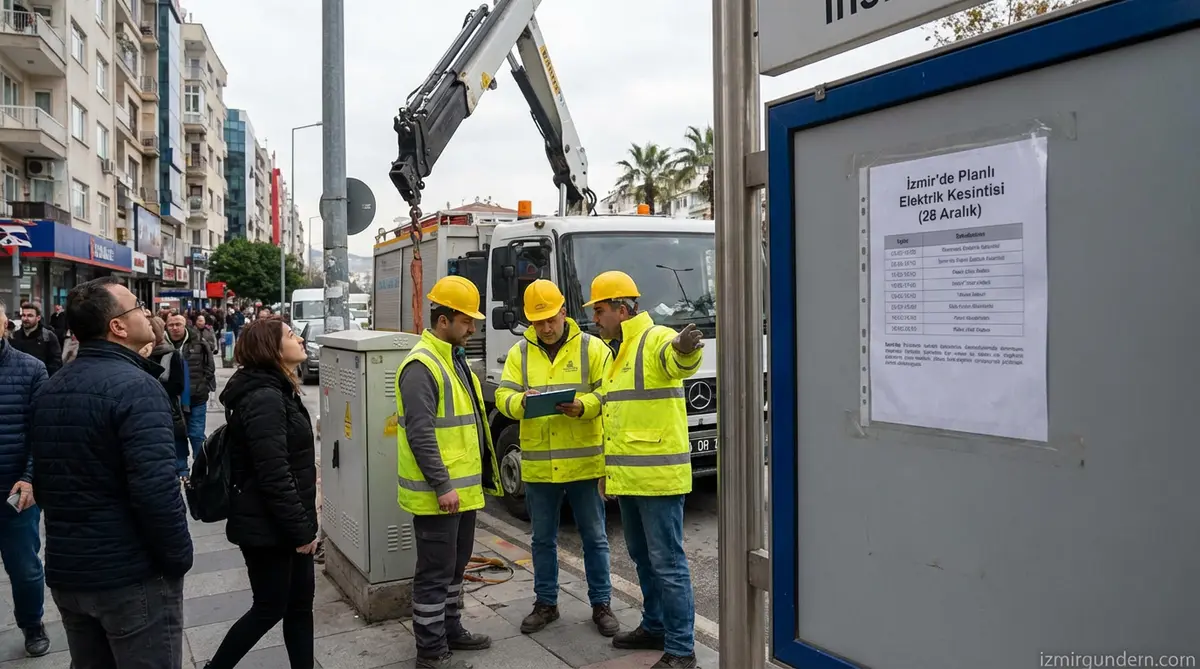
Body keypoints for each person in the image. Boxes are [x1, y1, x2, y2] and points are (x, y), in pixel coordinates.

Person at [29, 277, 193, 668]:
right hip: (129, 578)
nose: (146, 313)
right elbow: (156, 491)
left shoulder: (54, 387)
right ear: (117, 326)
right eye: (138, 306)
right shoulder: (138, 388)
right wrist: (178, 558)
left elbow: (48, 481)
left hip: (70, 574)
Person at [585, 270, 704, 669]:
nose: (595, 318)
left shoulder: (652, 338)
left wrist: (686, 350)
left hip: (658, 480)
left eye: (599, 310)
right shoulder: (616, 350)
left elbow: (676, 359)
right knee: (642, 557)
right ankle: (654, 625)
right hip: (630, 478)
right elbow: (615, 418)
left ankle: (682, 649)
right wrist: (608, 473)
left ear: (622, 309)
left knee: (668, 563)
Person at [493, 280, 618, 636]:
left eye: (551, 319)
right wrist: (520, 402)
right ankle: (546, 603)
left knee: (595, 538)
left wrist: (584, 406)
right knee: (542, 539)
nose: (546, 328)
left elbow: (608, 396)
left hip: (584, 464)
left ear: (564, 312)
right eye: (538, 322)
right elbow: (503, 395)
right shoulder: (520, 353)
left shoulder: (592, 349)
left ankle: (602, 604)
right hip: (540, 467)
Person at [396, 276, 502, 669]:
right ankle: (430, 651)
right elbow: (421, 434)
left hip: (462, 492)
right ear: (444, 321)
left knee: (455, 568)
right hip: (439, 495)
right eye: (466, 321)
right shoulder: (422, 366)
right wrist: (442, 485)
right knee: (434, 574)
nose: (473, 328)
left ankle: (451, 630)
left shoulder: (454, 361)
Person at [205, 318, 318, 669]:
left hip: (285, 520)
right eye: (289, 334)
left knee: (298, 606)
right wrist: (301, 531)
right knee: (269, 607)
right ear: (271, 348)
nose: (299, 338)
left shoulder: (277, 388)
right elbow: (274, 474)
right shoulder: (264, 397)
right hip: (269, 528)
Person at [0, 301, 50, 657]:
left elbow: (42, 432)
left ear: (6, 325)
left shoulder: (31, 369)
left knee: (26, 569)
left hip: (15, 491)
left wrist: (31, 477)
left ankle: (32, 624)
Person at [165, 312, 216, 475]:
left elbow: (209, 366)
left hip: (196, 397)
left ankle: (201, 467)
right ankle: (182, 470)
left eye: (177, 324)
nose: (174, 328)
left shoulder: (199, 343)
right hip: (173, 400)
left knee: (196, 434)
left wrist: (203, 385)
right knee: (178, 435)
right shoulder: (161, 345)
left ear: (184, 325)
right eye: (171, 325)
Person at [146, 317, 189, 477]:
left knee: (178, 455)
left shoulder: (171, 355)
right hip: (147, 416)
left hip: (169, 411)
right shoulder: (137, 355)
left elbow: (178, 385)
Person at [11, 302, 61, 377]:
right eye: (23, 315)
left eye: (30, 316)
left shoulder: (48, 337)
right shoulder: (13, 336)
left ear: (38, 318)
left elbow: (56, 364)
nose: (25, 318)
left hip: (41, 382)